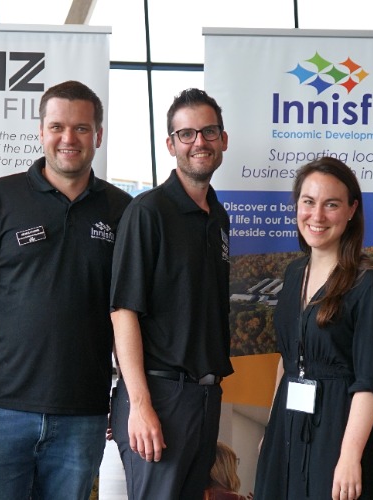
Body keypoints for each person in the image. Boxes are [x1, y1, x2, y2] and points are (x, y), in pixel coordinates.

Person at [0, 80, 131, 500]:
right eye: (57, 126)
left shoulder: (122, 210)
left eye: (81, 128)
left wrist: (128, 394)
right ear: (41, 132)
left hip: (83, 411)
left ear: (98, 135)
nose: (68, 138)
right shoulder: (1, 197)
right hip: (0, 408)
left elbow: (128, 311)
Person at [109, 88, 233, 499]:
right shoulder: (148, 212)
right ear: (171, 144)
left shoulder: (217, 216)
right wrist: (141, 405)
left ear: (223, 139)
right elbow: (123, 311)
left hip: (203, 396)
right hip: (159, 395)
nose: (200, 142)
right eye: (187, 134)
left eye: (209, 131)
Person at [254, 157, 373, 500]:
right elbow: (287, 361)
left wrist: (350, 456)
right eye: (308, 202)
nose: (316, 216)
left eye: (331, 204)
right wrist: (272, 428)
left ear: (351, 210)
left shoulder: (371, 284)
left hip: (339, 429)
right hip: (287, 423)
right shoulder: (292, 275)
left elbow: (370, 384)